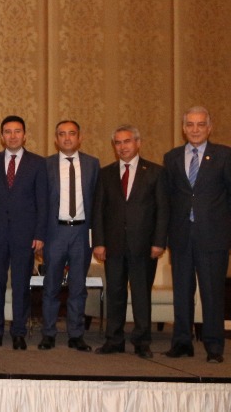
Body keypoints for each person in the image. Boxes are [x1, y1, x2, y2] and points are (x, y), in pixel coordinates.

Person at [162, 106, 231, 363]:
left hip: (213, 237)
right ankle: (182, 342)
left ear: (209, 128)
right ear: (183, 128)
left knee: (212, 293)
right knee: (182, 292)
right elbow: (168, 199)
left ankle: (214, 346)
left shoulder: (224, 155)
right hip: (181, 236)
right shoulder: (171, 157)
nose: (195, 129)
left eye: (200, 124)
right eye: (190, 124)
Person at [93, 124, 168, 357]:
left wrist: (159, 242)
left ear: (138, 143)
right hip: (113, 245)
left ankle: (142, 341)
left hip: (144, 246)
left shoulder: (155, 172)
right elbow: (98, 211)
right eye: (118, 142)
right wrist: (99, 242)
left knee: (141, 295)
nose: (122, 146)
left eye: (127, 141)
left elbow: (163, 210)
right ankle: (114, 340)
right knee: (115, 293)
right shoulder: (105, 173)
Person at [0, 116, 47, 350]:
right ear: (1, 136)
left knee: (21, 286)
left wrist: (40, 234)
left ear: (24, 135)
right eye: (7, 132)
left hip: (25, 235)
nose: (12, 136)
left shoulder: (38, 163)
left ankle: (19, 332)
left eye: (17, 131)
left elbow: (43, 202)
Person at [39, 120, 99, 351]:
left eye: (71, 133)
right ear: (56, 139)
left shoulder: (93, 164)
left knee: (78, 287)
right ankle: (48, 333)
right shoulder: (46, 165)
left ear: (79, 137)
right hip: (55, 232)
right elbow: (40, 203)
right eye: (62, 134)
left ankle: (76, 334)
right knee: (51, 285)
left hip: (82, 232)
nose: (67, 138)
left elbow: (98, 202)